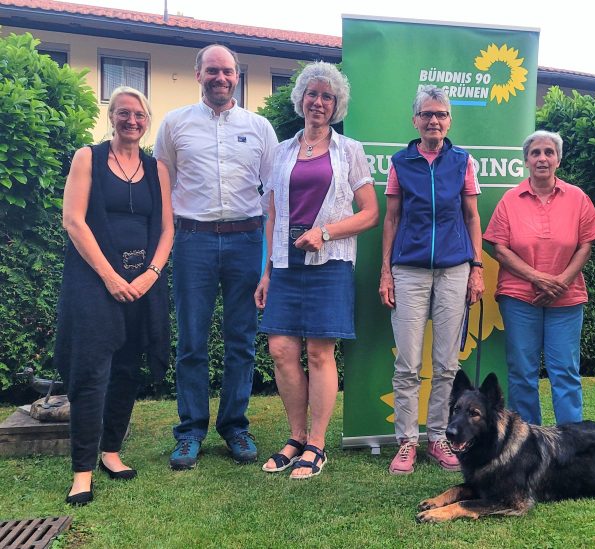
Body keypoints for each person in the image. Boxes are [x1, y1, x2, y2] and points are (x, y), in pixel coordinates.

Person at [154, 44, 278, 470]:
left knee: (241, 340)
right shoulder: (173, 125)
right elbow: (164, 186)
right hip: (194, 242)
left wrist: (268, 259)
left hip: (246, 240)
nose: (220, 78)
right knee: (191, 341)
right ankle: (190, 431)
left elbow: (273, 197)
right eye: (212, 71)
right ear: (198, 74)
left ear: (237, 76)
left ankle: (234, 426)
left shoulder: (260, 128)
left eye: (227, 71)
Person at [255, 62, 378, 479]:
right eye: (313, 94)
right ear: (301, 100)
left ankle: (318, 445)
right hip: (286, 266)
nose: (319, 102)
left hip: (330, 263)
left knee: (319, 352)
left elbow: (370, 214)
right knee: (281, 351)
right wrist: (267, 271)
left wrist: (324, 232)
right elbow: (270, 214)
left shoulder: (350, 151)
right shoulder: (282, 151)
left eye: (327, 96)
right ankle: (295, 437)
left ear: (336, 104)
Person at [55, 86, 173, 505]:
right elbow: (74, 221)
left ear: (147, 120)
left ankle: (111, 452)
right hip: (94, 282)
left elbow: (166, 229)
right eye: (124, 113)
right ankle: (82, 472)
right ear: (112, 116)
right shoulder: (87, 157)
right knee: (91, 373)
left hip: (143, 282)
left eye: (139, 115)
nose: (132, 121)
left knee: (127, 368)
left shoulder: (156, 167)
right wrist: (109, 277)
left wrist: (152, 274)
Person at [379, 85, 484, 475]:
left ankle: (439, 438)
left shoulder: (462, 161)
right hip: (408, 270)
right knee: (407, 363)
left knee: (445, 365)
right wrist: (385, 271)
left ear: (449, 120)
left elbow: (472, 217)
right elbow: (391, 219)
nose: (434, 120)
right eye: (427, 114)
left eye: (440, 114)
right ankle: (406, 442)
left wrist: (477, 268)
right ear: (415, 120)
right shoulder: (399, 162)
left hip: (456, 269)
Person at [483, 131, 595, 426]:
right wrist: (538, 278)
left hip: (566, 299)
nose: (542, 158)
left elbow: (586, 244)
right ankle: (526, 441)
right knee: (522, 372)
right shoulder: (510, 200)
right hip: (519, 298)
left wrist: (560, 281)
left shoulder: (577, 198)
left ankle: (571, 442)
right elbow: (499, 247)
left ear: (558, 160)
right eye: (535, 153)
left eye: (549, 152)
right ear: (526, 160)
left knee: (564, 371)